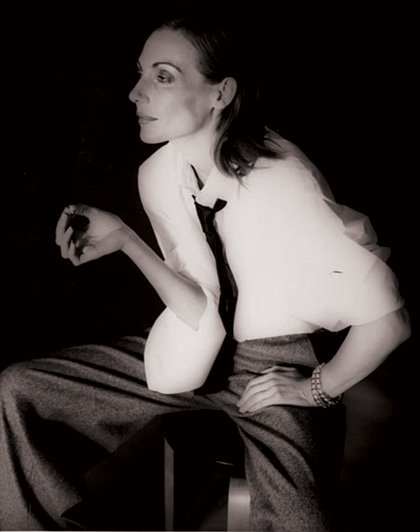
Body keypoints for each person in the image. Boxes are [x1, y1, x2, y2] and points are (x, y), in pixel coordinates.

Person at [0, 11, 411, 532]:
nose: (135, 93)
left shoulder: (283, 181)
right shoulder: (159, 171)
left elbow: (389, 322)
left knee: (300, 523)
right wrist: (126, 239)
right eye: (141, 73)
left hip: (271, 363)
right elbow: (196, 303)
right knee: (20, 389)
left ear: (221, 93)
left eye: (163, 76)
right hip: (193, 347)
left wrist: (317, 389)